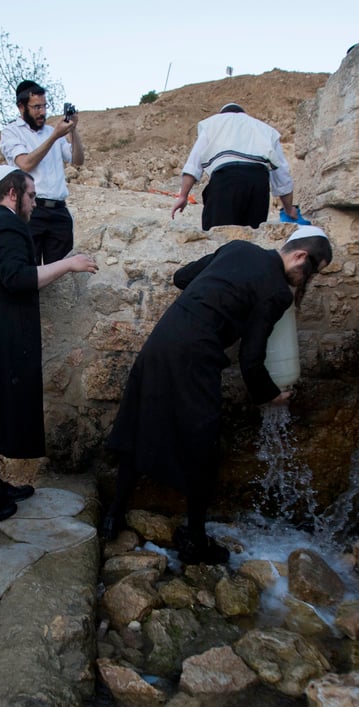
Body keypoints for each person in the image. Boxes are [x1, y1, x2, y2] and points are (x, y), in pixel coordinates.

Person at [101, 227, 332, 564]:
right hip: (195, 357)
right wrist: (270, 395)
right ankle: (194, 539)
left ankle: (113, 516)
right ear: (299, 256)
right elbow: (251, 358)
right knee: (203, 445)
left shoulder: (237, 248)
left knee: (140, 424)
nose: (307, 279)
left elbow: (183, 277)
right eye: (312, 270)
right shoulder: (276, 293)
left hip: (160, 344)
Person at [0, 166, 98, 516]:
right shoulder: (7, 224)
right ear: (12, 194)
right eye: (31, 196)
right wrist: (68, 265)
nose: (35, 204)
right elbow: (17, 278)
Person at [170, 103, 299, 230]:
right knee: (252, 240)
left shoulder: (213, 124)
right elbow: (282, 174)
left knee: (220, 235)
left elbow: (193, 164)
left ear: (222, 114)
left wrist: (183, 196)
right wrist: (289, 209)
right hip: (258, 183)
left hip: (225, 181)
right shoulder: (265, 129)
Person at [0, 80, 85, 265]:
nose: (43, 112)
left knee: (62, 275)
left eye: (44, 106)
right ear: (21, 107)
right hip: (30, 210)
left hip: (59, 211)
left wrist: (73, 130)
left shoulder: (50, 131)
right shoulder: (11, 132)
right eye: (37, 107)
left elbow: (77, 160)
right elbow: (25, 164)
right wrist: (55, 136)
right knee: (29, 271)